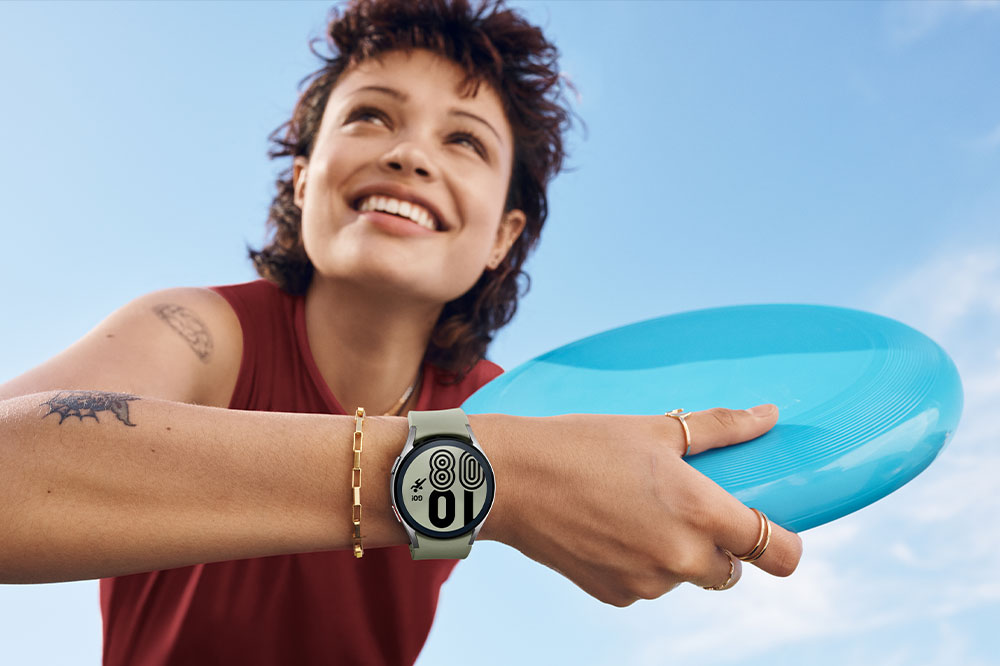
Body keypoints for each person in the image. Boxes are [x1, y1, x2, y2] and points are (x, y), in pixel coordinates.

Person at [0, 0, 802, 664]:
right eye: (371, 115)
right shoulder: (202, 332)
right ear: (304, 179)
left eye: (464, 140)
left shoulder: (509, 408)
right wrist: (482, 478)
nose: (410, 154)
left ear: (502, 236)